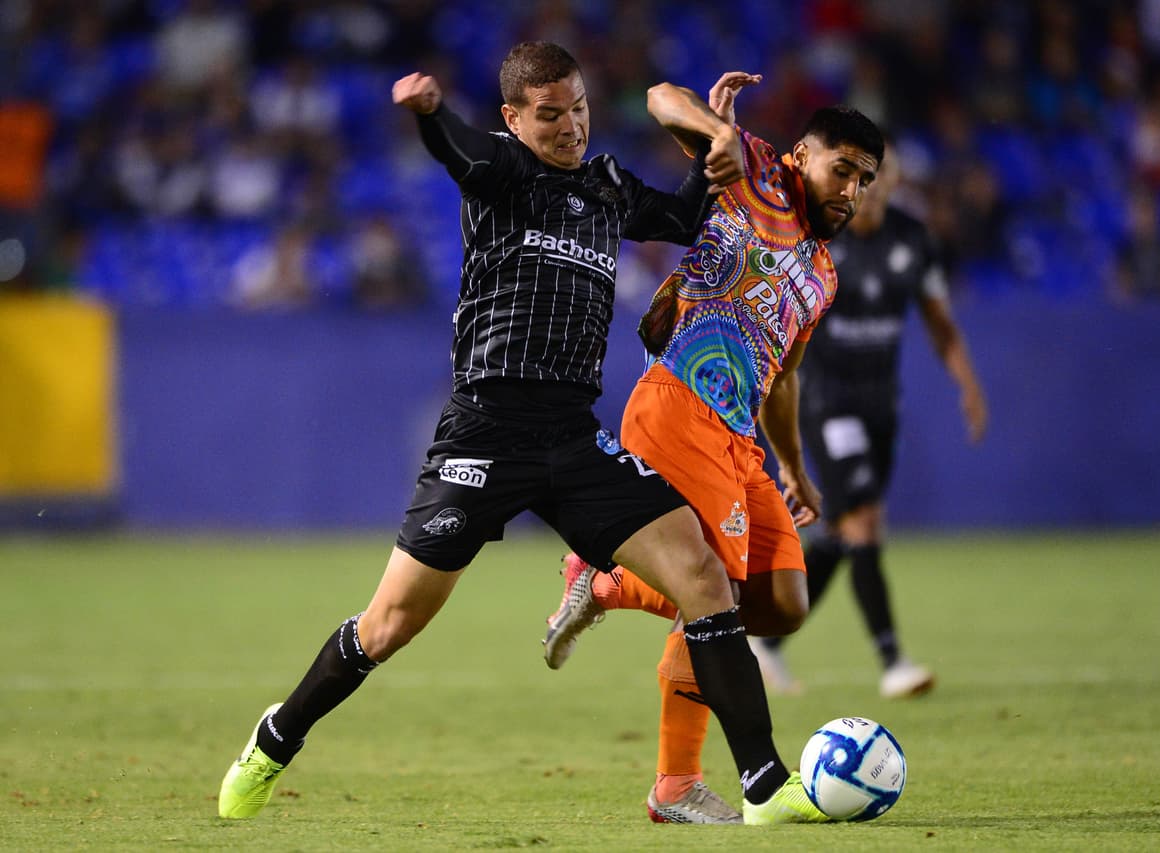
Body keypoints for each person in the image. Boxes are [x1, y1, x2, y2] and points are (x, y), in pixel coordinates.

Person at [216, 42, 817, 826]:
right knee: (389, 625)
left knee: (706, 579)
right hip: (484, 433)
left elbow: (677, 216)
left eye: (579, 109)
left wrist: (715, 145)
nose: (570, 127)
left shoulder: (603, 187)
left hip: (571, 437)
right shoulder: (501, 172)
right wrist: (432, 115)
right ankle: (273, 739)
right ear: (513, 119)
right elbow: (459, 153)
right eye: (549, 115)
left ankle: (765, 784)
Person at [542, 72, 885, 823]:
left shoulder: (822, 275)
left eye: (865, 179)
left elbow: (784, 379)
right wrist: (718, 131)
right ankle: (676, 787)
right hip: (677, 407)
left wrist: (794, 467)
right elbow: (660, 95)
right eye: (842, 169)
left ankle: (600, 579)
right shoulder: (755, 171)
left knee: (783, 600)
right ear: (802, 155)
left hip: (739, 437)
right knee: (715, 599)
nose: (852, 190)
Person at [750, 143, 988, 698]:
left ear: (892, 182)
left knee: (841, 533)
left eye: (877, 177)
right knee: (864, 523)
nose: (867, 187)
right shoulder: (816, 239)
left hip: (882, 403)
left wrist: (968, 384)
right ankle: (893, 661)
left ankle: (765, 640)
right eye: (856, 176)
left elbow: (939, 322)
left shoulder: (913, 240)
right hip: (827, 402)